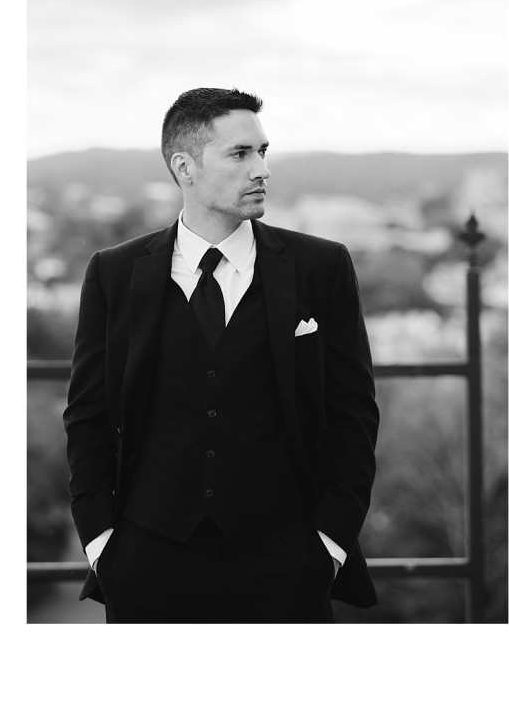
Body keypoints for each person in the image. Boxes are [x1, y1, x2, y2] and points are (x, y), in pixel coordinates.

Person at [64, 87, 380, 623]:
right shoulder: (114, 274)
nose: (261, 169)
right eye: (240, 154)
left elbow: (353, 413)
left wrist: (328, 543)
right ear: (185, 167)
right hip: (146, 563)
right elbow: (87, 414)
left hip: (287, 562)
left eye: (263, 152)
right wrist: (101, 543)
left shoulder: (320, 267)